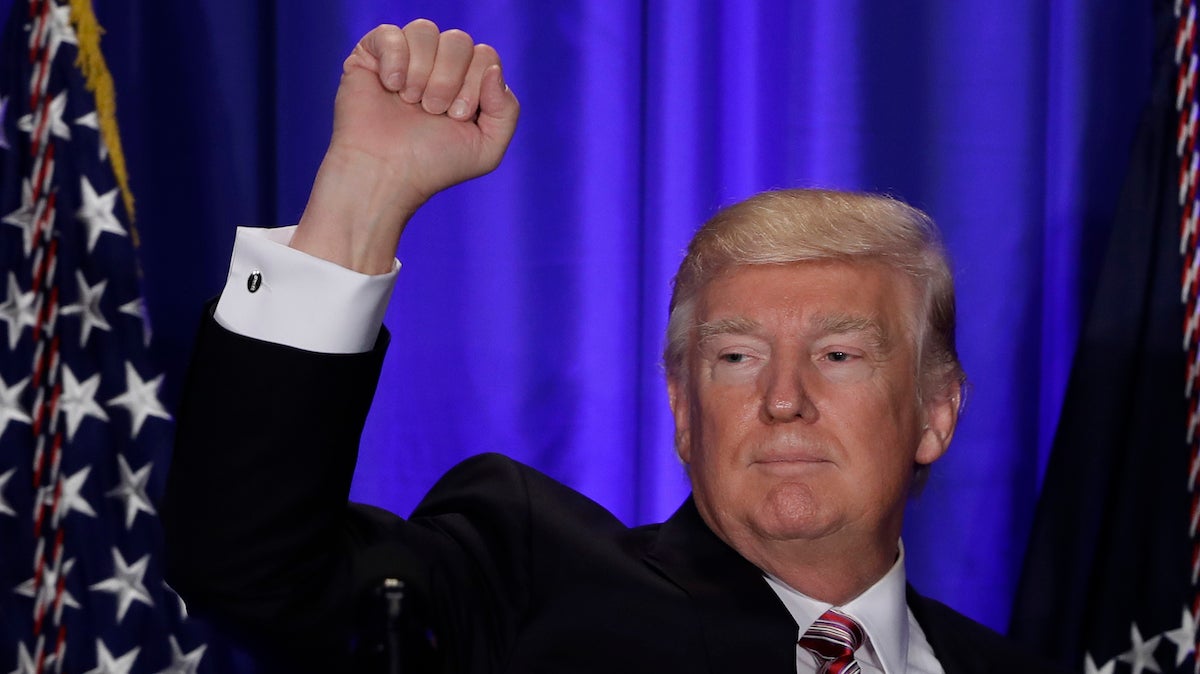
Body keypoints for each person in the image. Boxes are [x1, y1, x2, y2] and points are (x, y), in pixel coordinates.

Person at [163, 20, 1067, 674]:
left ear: (936, 412)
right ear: (682, 408)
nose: (783, 398)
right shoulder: (527, 581)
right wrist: (362, 197)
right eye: (736, 357)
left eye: (838, 355)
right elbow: (252, 571)